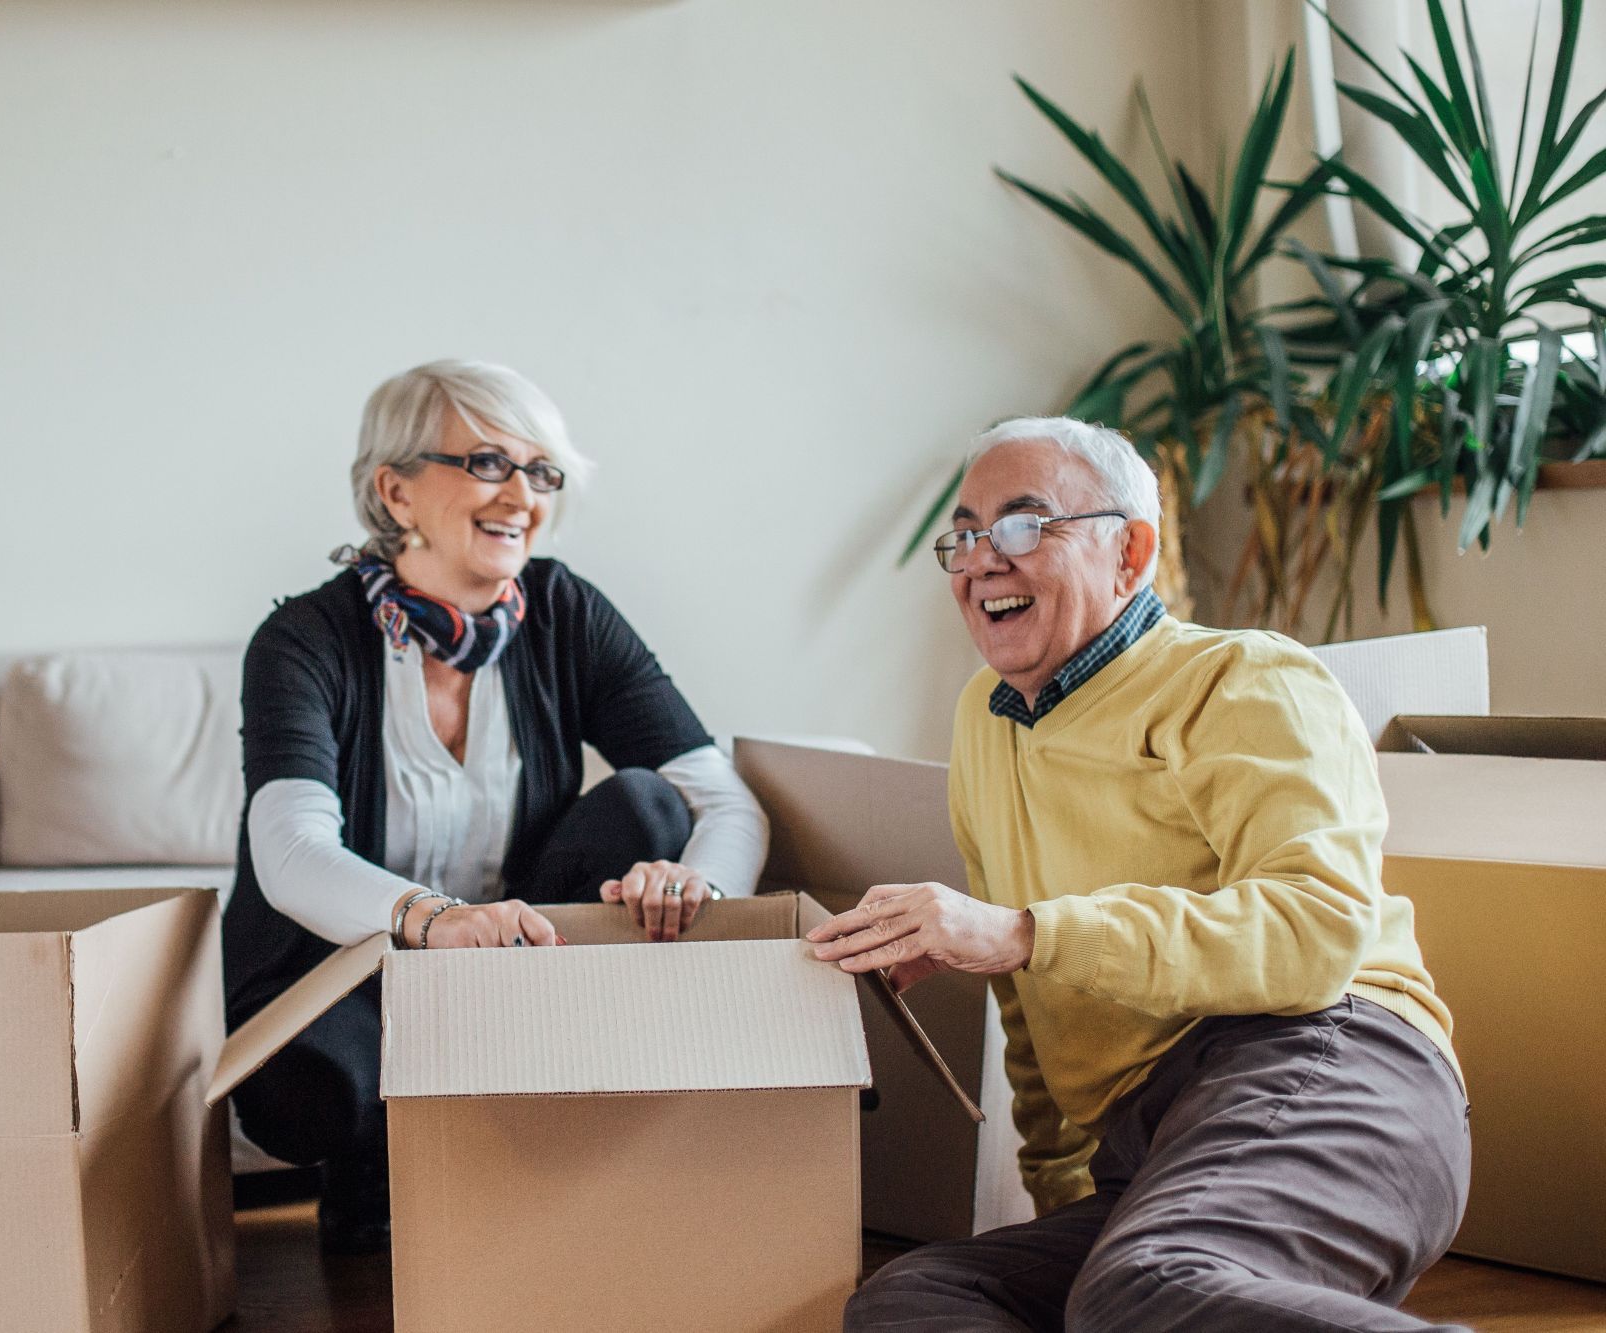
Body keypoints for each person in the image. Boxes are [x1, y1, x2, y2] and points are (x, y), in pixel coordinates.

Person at [812, 418, 1470, 1332]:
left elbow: (1315, 933)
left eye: (1023, 524)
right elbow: (1031, 1011)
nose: (982, 560)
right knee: (913, 1299)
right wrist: (1059, 1195)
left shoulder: (1243, 678)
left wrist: (1026, 930)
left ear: (1130, 552)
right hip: (1153, 1143)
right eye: (965, 535)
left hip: (1333, 1065)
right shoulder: (984, 722)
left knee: (1140, 1287)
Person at [221, 359, 769, 1254]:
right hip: (347, 971)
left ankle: (543, 1150)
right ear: (395, 490)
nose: (521, 496)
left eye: (541, 471)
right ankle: (372, 1171)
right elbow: (287, 849)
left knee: (650, 809)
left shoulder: (564, 611)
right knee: (312, 1091)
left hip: (518, 967)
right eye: (485, 463)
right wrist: (433, 921)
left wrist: (696, 888)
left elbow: (725, 802)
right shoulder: (304, 639)